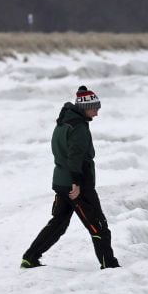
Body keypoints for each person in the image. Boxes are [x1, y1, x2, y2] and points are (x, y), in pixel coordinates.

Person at [21, 86, 119, 270]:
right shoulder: (78, 127)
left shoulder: (63, 122)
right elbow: (75, 157)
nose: (97, 113)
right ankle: (109, 266)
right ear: (85, 108)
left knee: (58, 224)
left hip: (61, 181)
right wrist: (77, 183)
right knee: (98, 226)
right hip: (77, 186)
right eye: (94, 108)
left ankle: (30, 258)